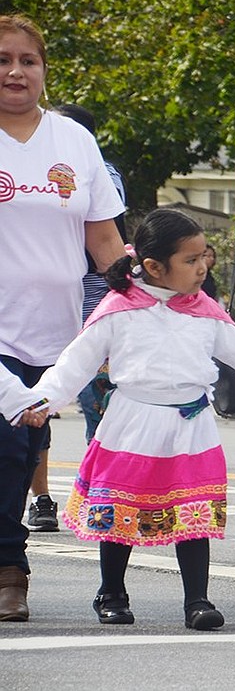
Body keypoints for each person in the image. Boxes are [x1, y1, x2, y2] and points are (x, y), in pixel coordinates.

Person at [32, 209, 235, 629]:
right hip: (133, 423)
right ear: (153, 267)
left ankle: (197, 600)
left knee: (193, 511)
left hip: (191, 425)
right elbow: (74, 363)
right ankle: (111, 591)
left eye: (205, 257)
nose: (203, 267)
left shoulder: (204, 310)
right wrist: (41, 400)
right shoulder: (118, 309)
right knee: (120, 514)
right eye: (191, 260)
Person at [0, 14, 126, 623]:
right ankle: (10, 569)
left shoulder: (74, 141)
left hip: (53, 337)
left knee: (25, 450)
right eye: (2, 60)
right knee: (4, 443)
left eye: (27, 60)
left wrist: (142, 293)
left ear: (45, 70)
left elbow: (103, 237)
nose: (15, 71)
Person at [22, 103, 129, 533]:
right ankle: (63, 497)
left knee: (53, 404)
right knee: (63, 406)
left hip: (93, 307)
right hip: (59, 307)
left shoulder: (94, 173)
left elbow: (107, 239)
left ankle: (83, 496)